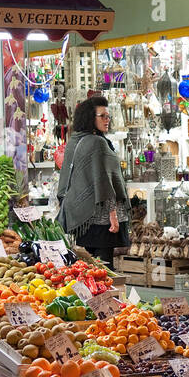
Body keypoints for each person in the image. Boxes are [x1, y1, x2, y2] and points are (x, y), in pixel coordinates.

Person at [56, 96, 128, 265]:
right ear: (90, 117)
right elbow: (106, 182)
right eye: (102, 116)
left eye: (108, 116)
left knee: (85, 267)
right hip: (101, 219)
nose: (107, 120)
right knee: (103, 269)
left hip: (81, 217)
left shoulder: (74, 140)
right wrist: (113, 215)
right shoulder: (98, 143)